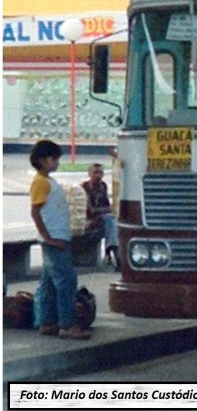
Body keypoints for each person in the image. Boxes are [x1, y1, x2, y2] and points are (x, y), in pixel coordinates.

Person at [29, 140, 91, 339]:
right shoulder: (41, 182)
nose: (56, 162)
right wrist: (47, 237)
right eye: (53, 159)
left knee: (49, 282)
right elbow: (35, 212)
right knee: (66, 282)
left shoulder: (48, 181)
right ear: (42, 160)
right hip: (55, 239)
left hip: (57, 237)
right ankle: (67, 324)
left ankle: (47, 321)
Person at [81, 163, 120, 271]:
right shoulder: (84, 187)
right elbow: (91, 210)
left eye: (101, 173)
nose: (98, 176)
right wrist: (108, 209)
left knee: (112, 221)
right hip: (89, 222)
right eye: (95, 173)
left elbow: (107, 205)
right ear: (89, 174)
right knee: (110, 220)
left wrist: (108, 210)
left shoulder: (103, 186)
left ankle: (110, 254)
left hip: (102, 220)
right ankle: (116, 256)